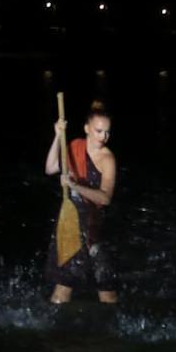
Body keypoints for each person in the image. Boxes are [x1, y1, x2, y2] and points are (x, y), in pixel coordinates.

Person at [45, 100, 117, 303]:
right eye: (99, 131)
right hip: (71, 224)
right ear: (87, 128)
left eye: (107, 132)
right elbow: (50, 168)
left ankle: (111, 330)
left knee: (106, 289)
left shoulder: (107, 158)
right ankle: (57, 333)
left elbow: (105, 197)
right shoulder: (74, 146)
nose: (104, 136)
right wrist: (58, 135)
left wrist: (74, 185)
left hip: (94, 227)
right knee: (63, 287)